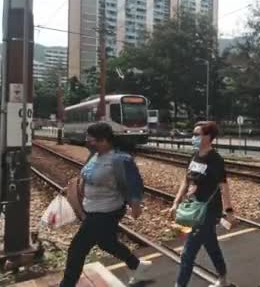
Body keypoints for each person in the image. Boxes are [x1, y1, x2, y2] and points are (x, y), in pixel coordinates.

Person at [60, 123, 150, 287]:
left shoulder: (120, 159)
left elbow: (134, 183)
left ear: (104, 141)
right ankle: (137, 265)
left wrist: (136, 205)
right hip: (92, 209)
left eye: (91, 139)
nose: (87, 141)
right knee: (107, 242)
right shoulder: (94, 155)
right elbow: (85, 176)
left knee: (77, 249)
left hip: (108, 210)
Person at [170, 121, 236, 287]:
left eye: (197, 134)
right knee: (211, 245)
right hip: (194, 208)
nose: (193, 137)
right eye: (193, 134)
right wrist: (176, 202)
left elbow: (223, 185)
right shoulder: (194, 156)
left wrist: (229, 211)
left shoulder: (215, 159)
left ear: (208, 137)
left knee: (187, 253)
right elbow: (185, 181)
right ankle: (224, 280)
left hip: (208, 211)